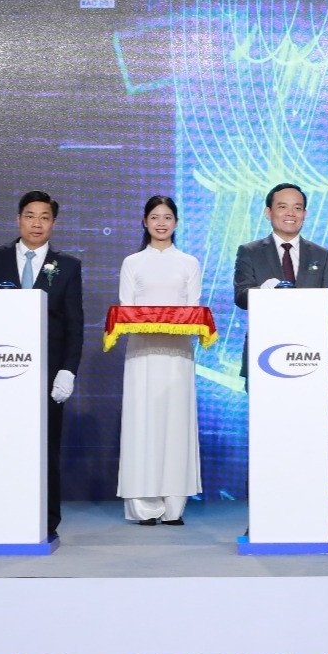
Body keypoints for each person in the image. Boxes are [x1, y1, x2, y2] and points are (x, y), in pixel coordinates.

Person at [0, 191, 84, 543]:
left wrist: (67, 370)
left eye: (44, 217)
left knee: (45, 447)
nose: (37, 223)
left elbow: (75, 325)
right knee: (0, 443)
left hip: (46, 376)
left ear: (54, 223)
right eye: (30, 216)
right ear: (18, 219)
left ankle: (45, 520)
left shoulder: (68, 266)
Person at [115, 195, 203, 526]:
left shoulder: (189, 263)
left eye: (167, 217)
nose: (161, 223)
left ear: (176, 223)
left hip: (178, 353)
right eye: (155, 217)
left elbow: (194, 308)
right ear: (145, 222)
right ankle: (144, 506)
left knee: (176, 423)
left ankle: (174, 506)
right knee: (142, 421)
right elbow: (126, 308)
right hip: (142, 352)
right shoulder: (132, 262)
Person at [232, 182, 328, 370]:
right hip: (263, 353)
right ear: (268, 212)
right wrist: (263, 291)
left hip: (310, 354)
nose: (291, 213)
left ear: (304, 214)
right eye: (282, 207)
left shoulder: (321, 255)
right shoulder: (250, 252)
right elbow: (241, 297)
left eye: (297, 208)